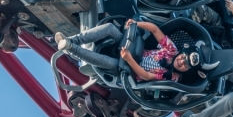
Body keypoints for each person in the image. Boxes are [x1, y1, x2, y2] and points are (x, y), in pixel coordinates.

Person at [54, 19, 199, 82]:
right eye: (184, 57)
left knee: (108, 62)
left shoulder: (173, 76)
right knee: (110, 28)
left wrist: (129, 60)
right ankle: (74, 40)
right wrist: (137, 24)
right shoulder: (172, 50)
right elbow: (155, 29)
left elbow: (147, 76)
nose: (182, 61)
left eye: (186, 65)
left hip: (130, 70)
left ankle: (70, 48)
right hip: (134, 50)